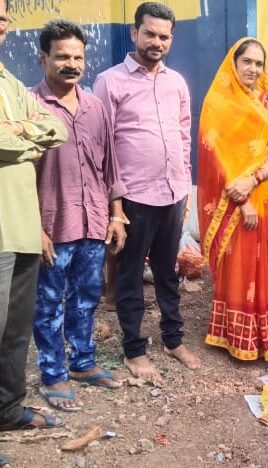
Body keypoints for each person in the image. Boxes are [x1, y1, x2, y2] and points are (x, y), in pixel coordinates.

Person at [93, 1, 200, 384]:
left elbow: (184, 136)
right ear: (134, 33)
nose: (157, 42)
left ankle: (173, 340)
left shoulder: (176, 83)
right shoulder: (110, 82)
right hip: (134, 198)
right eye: (150, 34)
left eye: (164, 36)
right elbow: (103, 148)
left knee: (168, 272)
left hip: (172, 194)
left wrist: (184, 189)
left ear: (171, 39)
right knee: (130, 275)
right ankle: (134, 350)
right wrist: (115, 208)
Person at [30, 20, 127, 412]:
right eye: (62, 57)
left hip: (94, 222)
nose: (71, 64)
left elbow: (110, 167)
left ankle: (84, 364)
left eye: (78, 57)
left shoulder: (95, 108)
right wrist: (34, 229)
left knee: (86, 298)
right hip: (51, 225)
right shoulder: (29, 108)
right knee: (49, 304)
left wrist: (117, 216)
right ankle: (53, 374)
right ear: (43, 58)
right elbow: (20, 176)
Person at [0, 0, 68, 434]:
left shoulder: (8, 81)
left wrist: (21, 132)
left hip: (22, 225)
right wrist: (29, 139)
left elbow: (56, 128)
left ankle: (7, 410)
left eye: (3, 18)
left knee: (15, 331)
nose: (1, 25)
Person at [197, 37, 268, 362]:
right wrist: (240, 199)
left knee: (256, 263)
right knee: (234, 265)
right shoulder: (218, 102)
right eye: (247, 61)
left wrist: (253, 180)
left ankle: (256, 337)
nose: (253, 68)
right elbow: (214, 155)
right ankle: (231, 334)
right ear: (233, 63)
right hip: (231, 197)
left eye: (259, 63)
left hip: (261, 192)